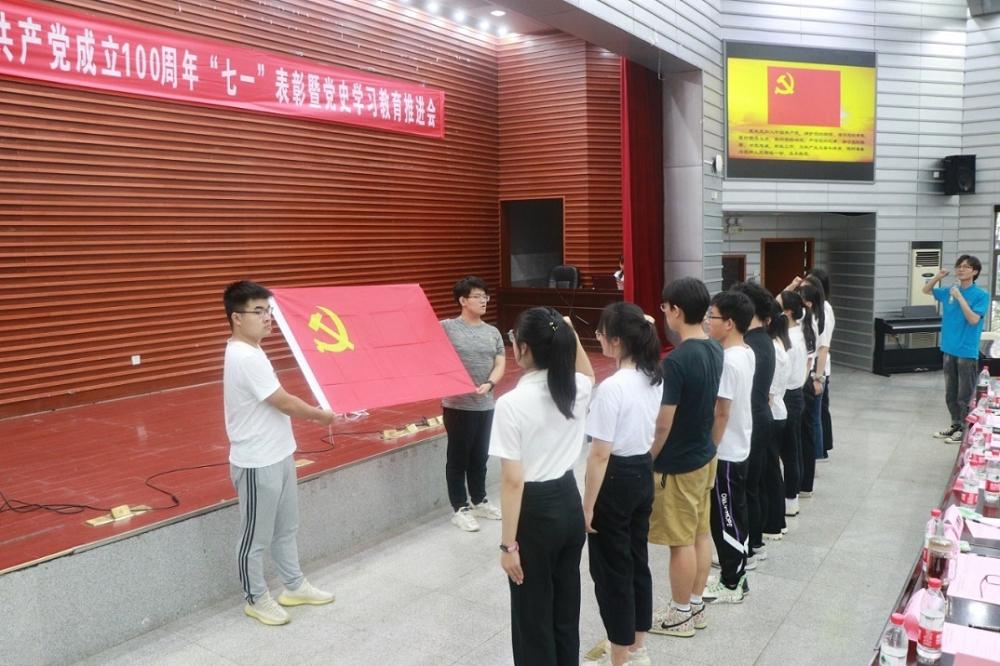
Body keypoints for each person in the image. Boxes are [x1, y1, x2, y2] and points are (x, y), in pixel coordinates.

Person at [222, 280, 335, 626]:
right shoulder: (243, 356)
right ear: (237, 317)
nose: (267, 317)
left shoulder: (254, 350)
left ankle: (294, 586)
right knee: (254, 538)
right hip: (257, 462)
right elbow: (283, 401)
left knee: (286, 528)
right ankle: (256, 599)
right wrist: (320, 415)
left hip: (280, 453)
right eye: (258, 311)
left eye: (268, 310)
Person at [490, 307, 595, 666]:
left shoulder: (510, 404)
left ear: (524, 349)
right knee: (565, 608)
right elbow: (588, 373)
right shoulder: (577, 388)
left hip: (534, 513)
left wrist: (508, 545)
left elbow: (512, 481)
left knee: (532, 616)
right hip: (568, 501)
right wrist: (570, 333)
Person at [583, 303, 662, 666]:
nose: (598, 337)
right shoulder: (653, 376)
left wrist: (587, 506)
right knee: (636, 559)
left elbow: (599, 455)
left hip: (614, 478)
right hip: (642, 470)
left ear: (616, 341)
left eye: (601, 332)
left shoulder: (612, 387)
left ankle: (619, 656)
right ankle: (637, 647)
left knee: (612, 570)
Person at [647, 277, 723, 638]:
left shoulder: (676, 361)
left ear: (676, 310)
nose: (664, 313)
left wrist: (648, 458)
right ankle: (695, 605)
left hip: (678, 463)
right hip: (704, 455)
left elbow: (663, 424)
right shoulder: (714, 348)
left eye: (665, 307)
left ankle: (679, 615)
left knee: (680, 542)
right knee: (700, 534)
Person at [701, 291, 755, 605]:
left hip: (726, 452)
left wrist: (710, 449)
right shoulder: (746, 352)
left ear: (730, 323)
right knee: (735, 511)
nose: (708, 322)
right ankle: (735, 573)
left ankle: (732, 582)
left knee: (725, 517)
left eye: (713, 317)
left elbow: (721, 413)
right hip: (739, 445)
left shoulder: (729, 361)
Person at [441, 276, 507, 531]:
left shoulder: (492, 332)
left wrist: (490, 383)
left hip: (486, 403)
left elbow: (500, 362)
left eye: (485, 296)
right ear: (463, 300)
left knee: (480, 456)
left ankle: (479, 500)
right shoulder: (447, 327)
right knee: (458, 457)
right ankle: (460, 508)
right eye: (477, 297)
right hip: (458, 405)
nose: (483, 301)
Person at [728, 281, 775, 565]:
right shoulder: (761, 339)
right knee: (754, 486)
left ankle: (749, 546)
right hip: (760, 417)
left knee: (746, 489)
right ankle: (755, 542)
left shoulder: (751, 346)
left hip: (753, 421)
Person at [924, 255, 989, 443]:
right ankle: (955, 425)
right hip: (949, 348)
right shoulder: (949, 291)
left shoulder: (981, 295)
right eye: (959, 266)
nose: (961, 269)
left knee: (964, 395)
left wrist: (960, 297)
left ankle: (965, 430)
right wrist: (938, 276)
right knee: (950, 393)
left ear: (975, 271)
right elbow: (926, 290)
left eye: (966, 267)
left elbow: (973, 319)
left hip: (966, 350)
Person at [762, 300, 791, 540]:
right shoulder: (780, 342)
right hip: (779, 411)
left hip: (772, 413)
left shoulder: (771, 348)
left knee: (770, 471)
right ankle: (776, 521)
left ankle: (774, 524)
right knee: (772, 469)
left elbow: (769, 394)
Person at [779, 291, 809, 517]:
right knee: (793, 448)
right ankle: (792, 494)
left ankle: (791, 498)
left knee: (789, 450)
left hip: (788, 394)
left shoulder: (790, 339)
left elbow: (783, 373)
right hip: (796, 392)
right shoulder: (800, 332)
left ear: (788, 312)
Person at [796, 281, 826, 498]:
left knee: (803, 435)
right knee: (804, 434)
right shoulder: (811, 319)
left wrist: (817, 378)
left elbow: (818, 353)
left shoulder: (806, 323)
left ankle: (803, 483)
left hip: (803, 382)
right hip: (805, 380)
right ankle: (804, 483)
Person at [805, 269, 835, 458]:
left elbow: (823, 347)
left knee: (817, 414)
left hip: (819, 368)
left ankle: (818, 452)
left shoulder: (824, 309)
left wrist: (818, 376)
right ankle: (820, 448)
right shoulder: (811, 309)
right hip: (816, 368)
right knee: (818, 413)